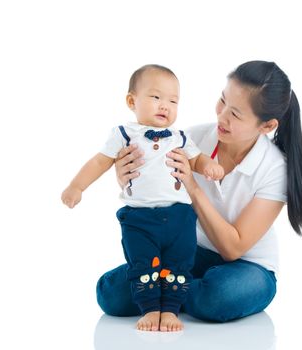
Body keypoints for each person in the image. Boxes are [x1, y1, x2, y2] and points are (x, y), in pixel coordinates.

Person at [96, 60, 302, 327]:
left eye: (235, 114)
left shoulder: (276, 168)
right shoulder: (190, 138)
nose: (222, 117)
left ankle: (167, 289)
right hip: (191, 251)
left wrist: (192, 184)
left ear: (267, 126)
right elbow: (150, 188)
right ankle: (172, 286)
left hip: (247, 266)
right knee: (110, 295)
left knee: (218, 296)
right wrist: (124, 174)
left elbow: (233, 248)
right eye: (222, 101)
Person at [61, 64, 224, 332]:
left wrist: (209, 166)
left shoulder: (179, 137)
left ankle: (171, 309)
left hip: (179, 216)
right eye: (156, 97)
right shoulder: (123, 135)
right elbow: (99, 162)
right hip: (139, 218)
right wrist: (76, 186)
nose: (165, 106)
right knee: (142, 264)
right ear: (131, 101)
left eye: (173, 101)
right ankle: (150, 308)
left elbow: (197, 159)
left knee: (178, 262)